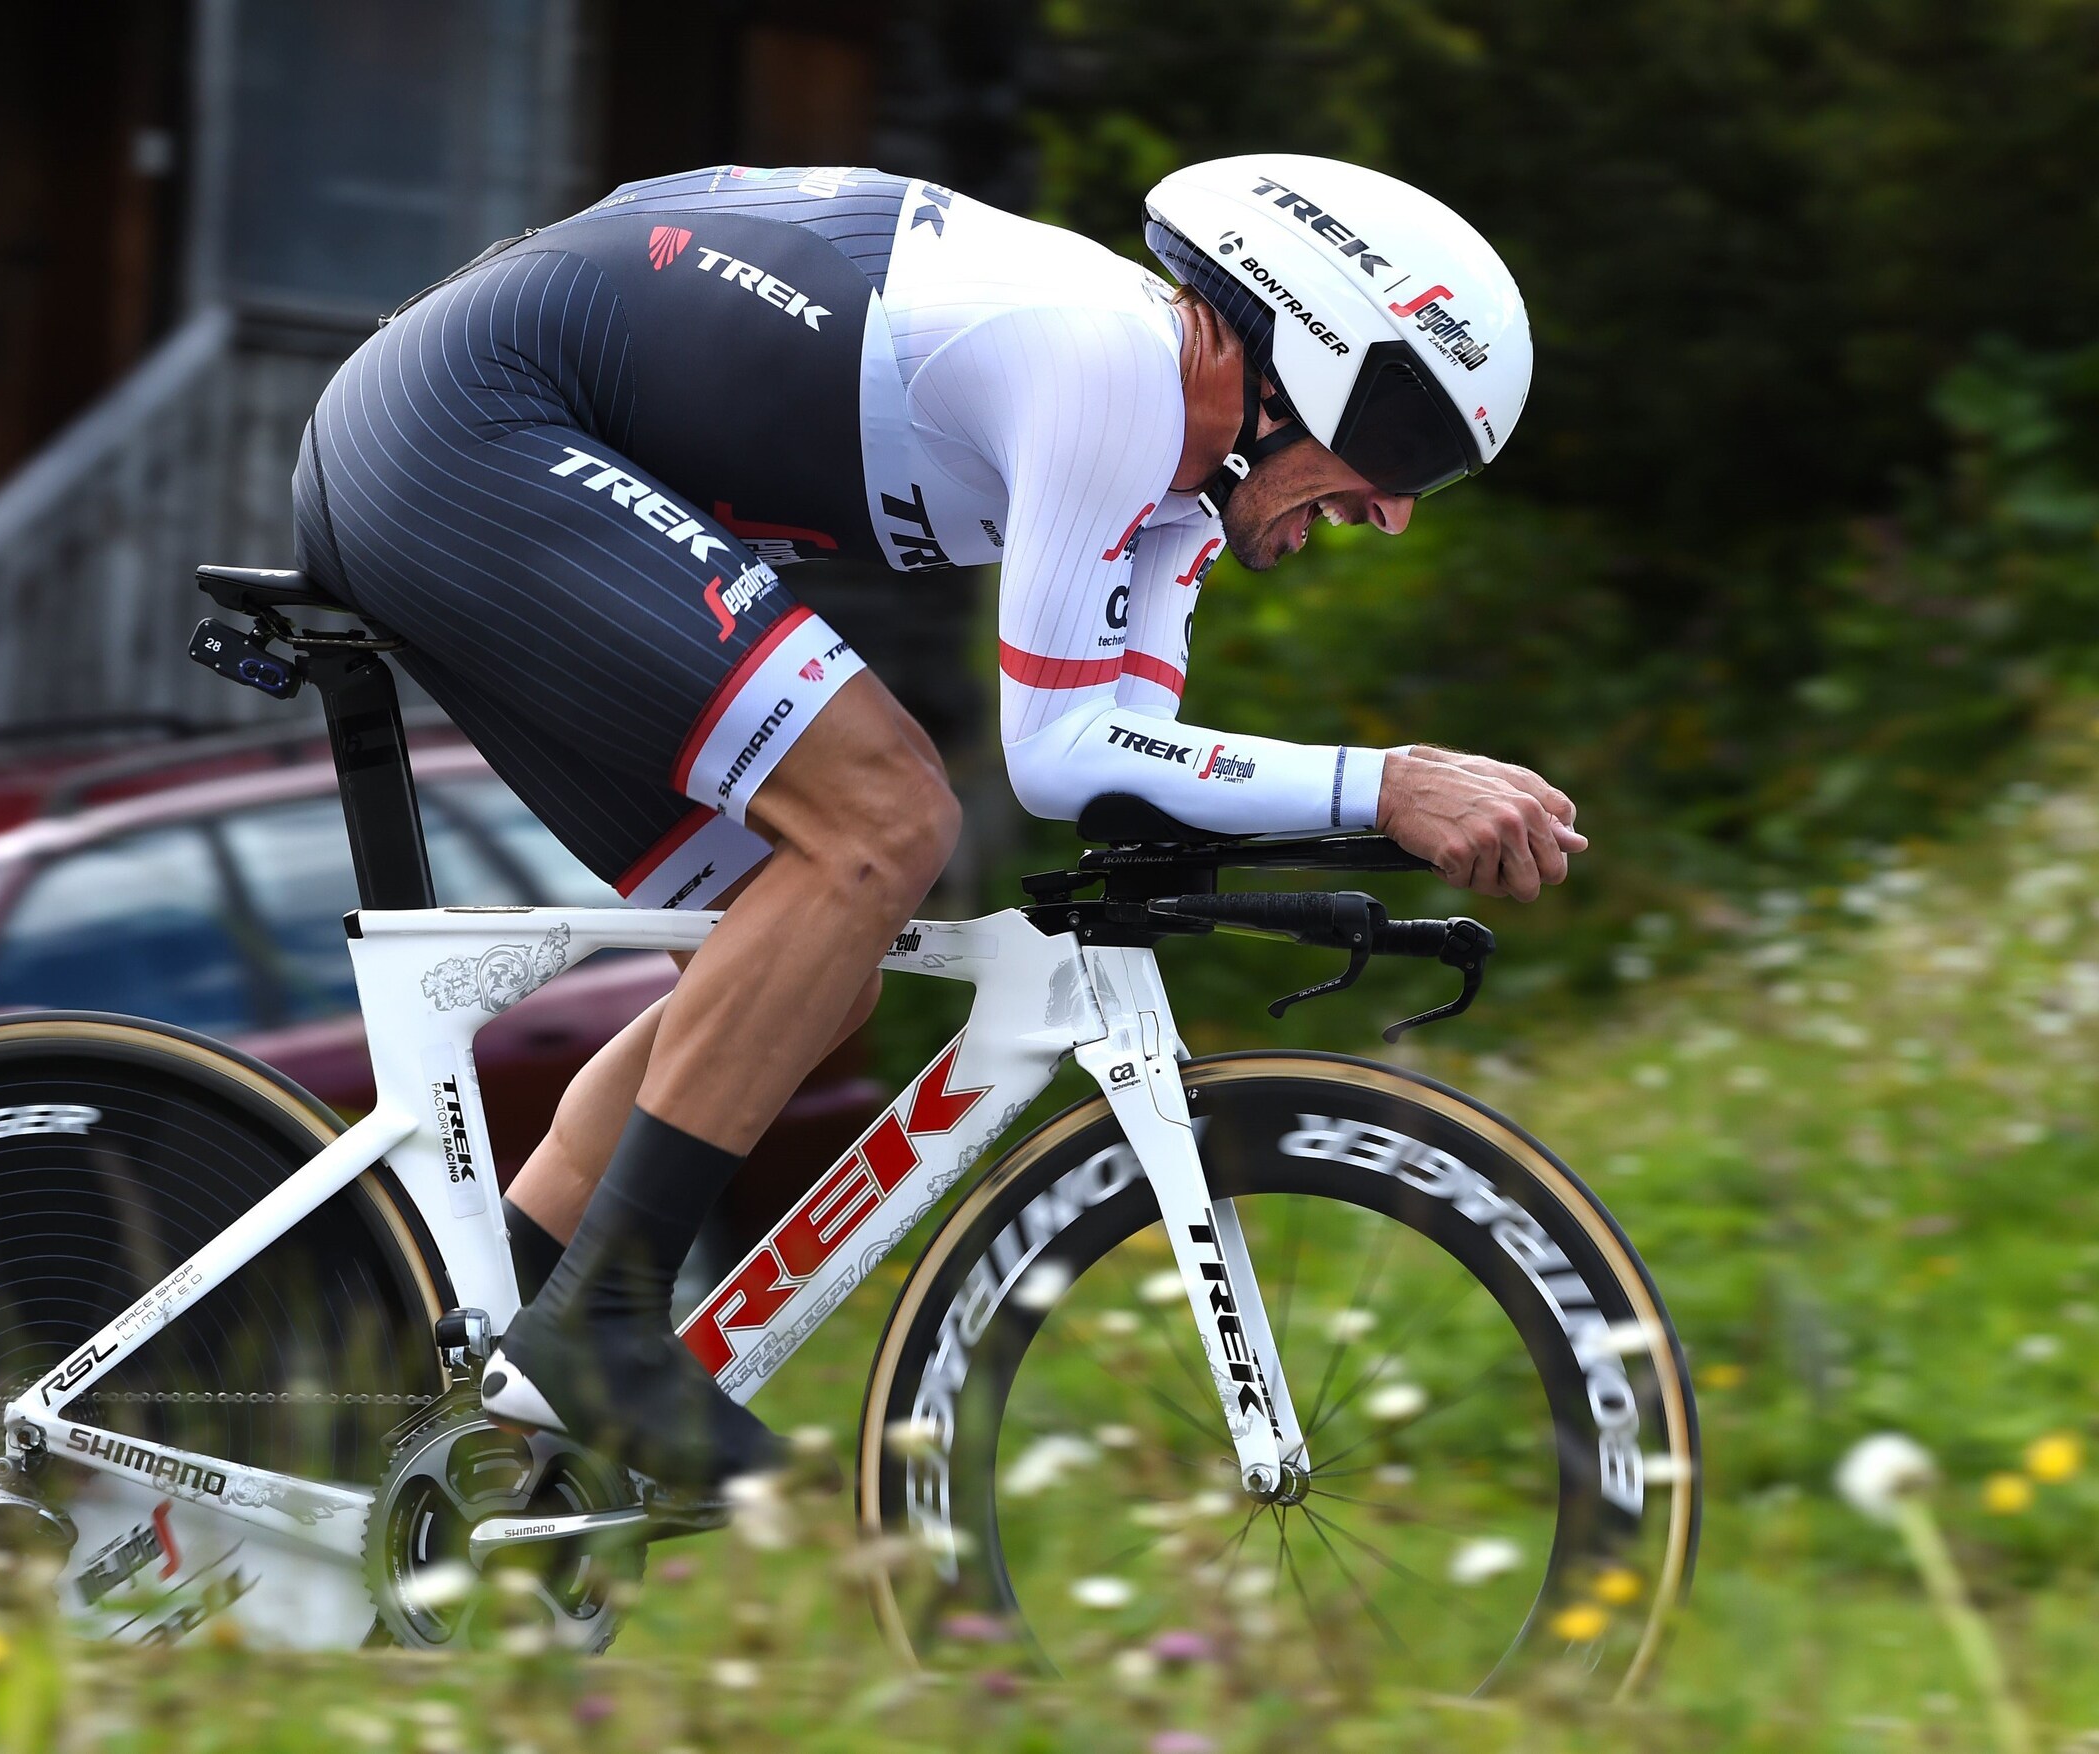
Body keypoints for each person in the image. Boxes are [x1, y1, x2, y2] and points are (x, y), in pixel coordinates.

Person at [290, 156, 1585, 1492]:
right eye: (1405, 448)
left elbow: (1119, 770)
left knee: (809, 969)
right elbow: (1058, 749)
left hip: (484, 442)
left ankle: (414, 1408)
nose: (1392, 510)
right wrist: (1390, 785)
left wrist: (1372, 833)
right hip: (464, 425)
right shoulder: (1111, 366)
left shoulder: (1179, 496)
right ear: (1296, 360)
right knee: (882, 820)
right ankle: (602, 1320)